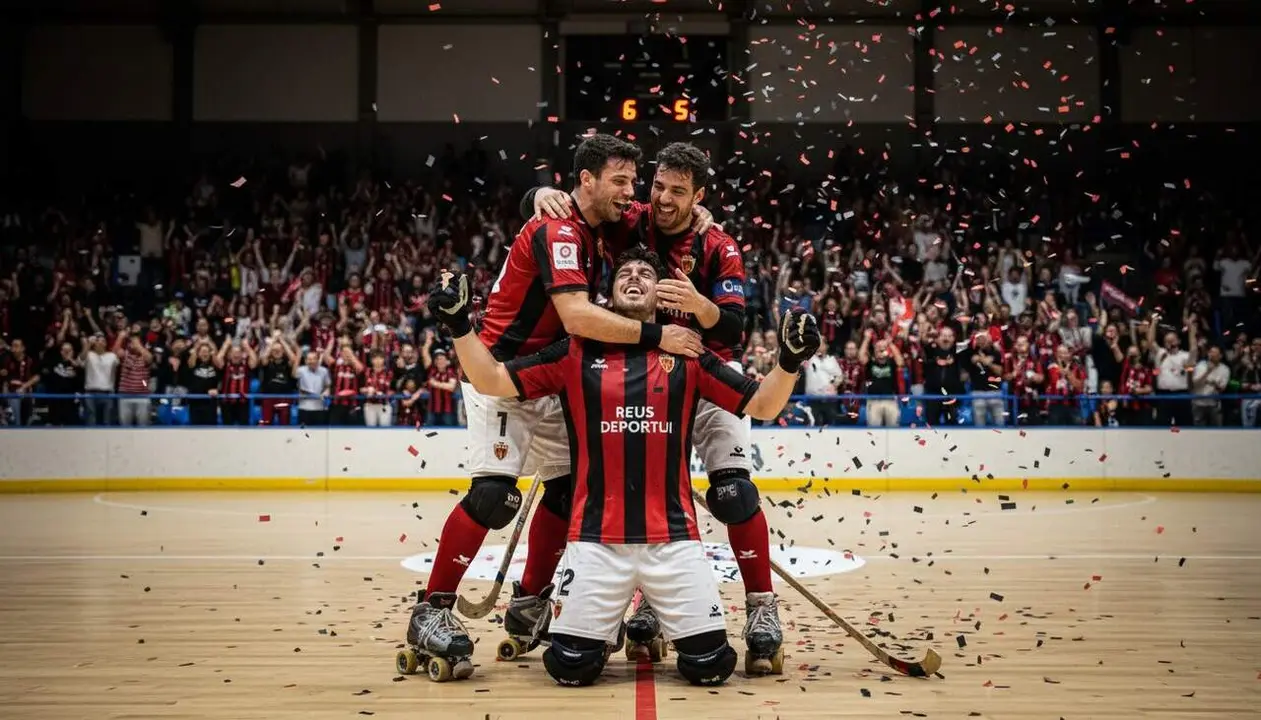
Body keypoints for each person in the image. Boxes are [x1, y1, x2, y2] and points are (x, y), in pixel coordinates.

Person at [428, 247, 821, 687]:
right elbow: (492, 380)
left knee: (711, 666)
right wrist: (460, 326)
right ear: (607, 295)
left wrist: (789, 361)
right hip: (595, 544)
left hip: (674, 543)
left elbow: (763, 404)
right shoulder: (574, 351)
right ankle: (574, 618)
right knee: (571, 668)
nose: (634, 277)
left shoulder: (688, 354)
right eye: (624, 273)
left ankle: (658, 616)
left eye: (645, 274)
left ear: (661, 293)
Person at [403, 134, 709, 680]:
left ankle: (530, 600)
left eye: (633, 182)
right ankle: (432, 610)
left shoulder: (605, 221)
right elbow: (576, 318)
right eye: (620, 181)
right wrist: (659, 336)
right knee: (495, 495)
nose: (631, 193)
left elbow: (662, 210)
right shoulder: (559, 228)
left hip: (559, 377)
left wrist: (695, 210)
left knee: (571, 492)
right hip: (503, 374)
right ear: (585, 181)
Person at [523, 142, 787, 673]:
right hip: (635, 369)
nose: (663, 200)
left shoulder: (718, 244)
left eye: (679, 192)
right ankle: (637, 600)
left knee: (733, 493)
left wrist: (699, 307)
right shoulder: (634, 217)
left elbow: (735, 328)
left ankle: (762, 608)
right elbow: (582, 205)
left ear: (700, 196)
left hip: (703, 370)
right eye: (659, 187)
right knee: (599, 486)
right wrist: (541, 193)